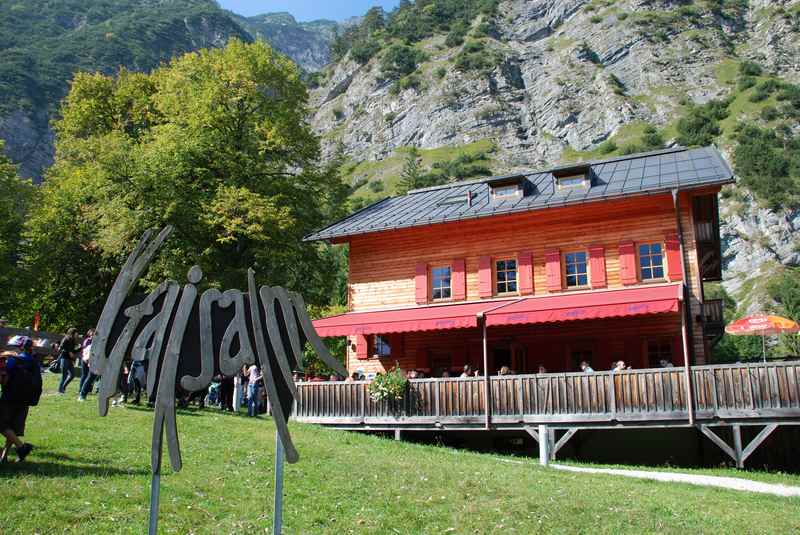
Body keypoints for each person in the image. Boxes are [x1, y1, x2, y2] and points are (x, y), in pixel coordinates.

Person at [0, 338, 39, 462]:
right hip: (25, 400)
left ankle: (21, 447)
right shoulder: (34, 362)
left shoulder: (13, 361)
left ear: (20, 347)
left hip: (9, 398)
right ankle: (4, 455)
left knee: (3, 426)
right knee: (13, 428)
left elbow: (5, 378)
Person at [77, 329, 98, 401]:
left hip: (91, 361)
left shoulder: (96, 343)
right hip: (87, 360)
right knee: (87, 376)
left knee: (91, 377)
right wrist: (88, 361)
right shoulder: (88, 342)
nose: (93, 336)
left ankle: (84, 393)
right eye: (92, 335)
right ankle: (81, 393)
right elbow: (86, 352)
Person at [57, 328, 79, 394]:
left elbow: (73, 352)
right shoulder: (66, 339)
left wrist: (80, 348)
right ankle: (60, 390)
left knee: (72, 375)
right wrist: (68, 351)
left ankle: (63, 387)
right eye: (76, 332)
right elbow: (60, 348)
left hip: (69, 360)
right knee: (64, 375)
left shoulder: (73, 340)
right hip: (64, 359)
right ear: (73, 333)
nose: (77, 334)